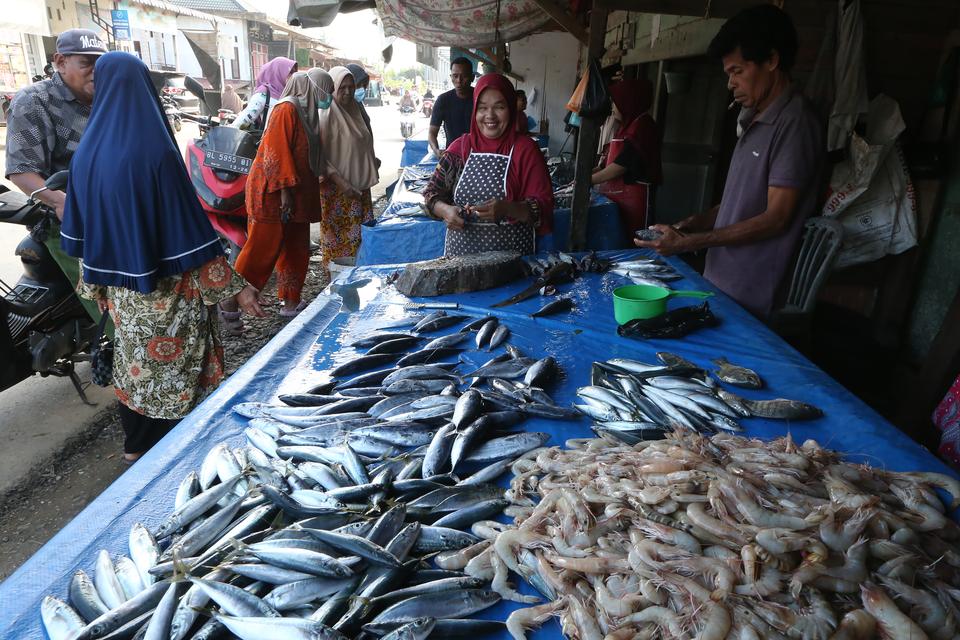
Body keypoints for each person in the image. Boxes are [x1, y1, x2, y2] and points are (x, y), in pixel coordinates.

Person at [59, 52, 264, 462]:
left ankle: (137, 448)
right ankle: (185, 456)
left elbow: (81, 234)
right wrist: (236, 290)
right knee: (178, 369)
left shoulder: (86, 154)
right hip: (172, 294)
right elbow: (189, 233)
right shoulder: (156, 152)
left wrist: (100, 286)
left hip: (123, 297)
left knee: (135, 366)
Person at [636, 4, 824, 319]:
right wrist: (690, 225)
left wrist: (691, 243)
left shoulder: (795, 123)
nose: (730, 83)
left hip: (754, 291)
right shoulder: (754, 120)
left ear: (772, 61)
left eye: (737, 71)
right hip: (723, 280)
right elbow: (740, 202)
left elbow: (776, 217)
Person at [4, 29, 110, 334]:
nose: (95, 71)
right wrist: (60, 201)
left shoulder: (105, 98)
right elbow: (21, 171)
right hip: (68, 221)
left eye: (100, 64)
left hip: (111, 212)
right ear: (60, 62)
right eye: (86, 62)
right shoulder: (33, 101)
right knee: (112, 308)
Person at [422, 73, 554, 256]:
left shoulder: (526, 150)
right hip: (460, 263)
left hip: (514, 267)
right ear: (474, 110)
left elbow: (544, 209)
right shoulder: (459, 148)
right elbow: (431, 194)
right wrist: (445, 210)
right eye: (482, 108)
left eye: (499, 107)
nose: (490, 116)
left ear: (510, 108)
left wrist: (508, 208)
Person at [235, 73, 327, 318]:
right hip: (274, 195)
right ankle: (229, 303)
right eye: (323, 90)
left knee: (296, 249)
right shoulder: (286, 109)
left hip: (296, 197)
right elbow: (277, 152)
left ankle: (290, 301)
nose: (326, 96)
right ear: (310, 88)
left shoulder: (307, 114)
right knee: (261, 250)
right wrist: (284, 191)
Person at [317, 66, 378, 286]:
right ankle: (337, 285)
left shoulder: (356, 110)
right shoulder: (325, 114)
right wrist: (342, 183)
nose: (347, 92)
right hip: (337, 192)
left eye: (351, 87)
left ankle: (358, 281)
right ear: (333, 88)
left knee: (359, 239)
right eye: (342, 87)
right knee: (339, 242)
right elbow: (320, 158)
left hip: (359, 188)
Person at [592, 77, 663, 240]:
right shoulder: (625, 126)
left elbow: (621, 165)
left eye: (614, 102)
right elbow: (606, 163)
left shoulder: (643, 125)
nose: (612, 107)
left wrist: (588, 180)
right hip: (618, 197)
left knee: (634, 240)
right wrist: (584, 175)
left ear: (627, 100)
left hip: (636, 199)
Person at [231, 56, 297, 130]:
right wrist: (228, 133)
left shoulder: (288, 93)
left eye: (294, 72)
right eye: (290, 72)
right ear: (278, 72)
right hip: (271, 139)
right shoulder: (263, 94)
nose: (293, 76)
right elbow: (244, 120)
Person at [428, 57, 474, 158]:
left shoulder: (481, 99)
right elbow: (432, 132)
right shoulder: (443, 100)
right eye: (455, 76)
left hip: (477, 155)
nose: (459, 80)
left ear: (472, 77)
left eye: (464, 76)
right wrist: (436, 150)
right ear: (451, 77)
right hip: (452, 156)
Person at [346, 63, 380, 169]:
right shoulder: (342, 108)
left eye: (363, 85)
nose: (361, 89)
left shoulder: (358, 104)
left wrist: (371, 157)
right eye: (357, 85)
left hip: (365, 163)